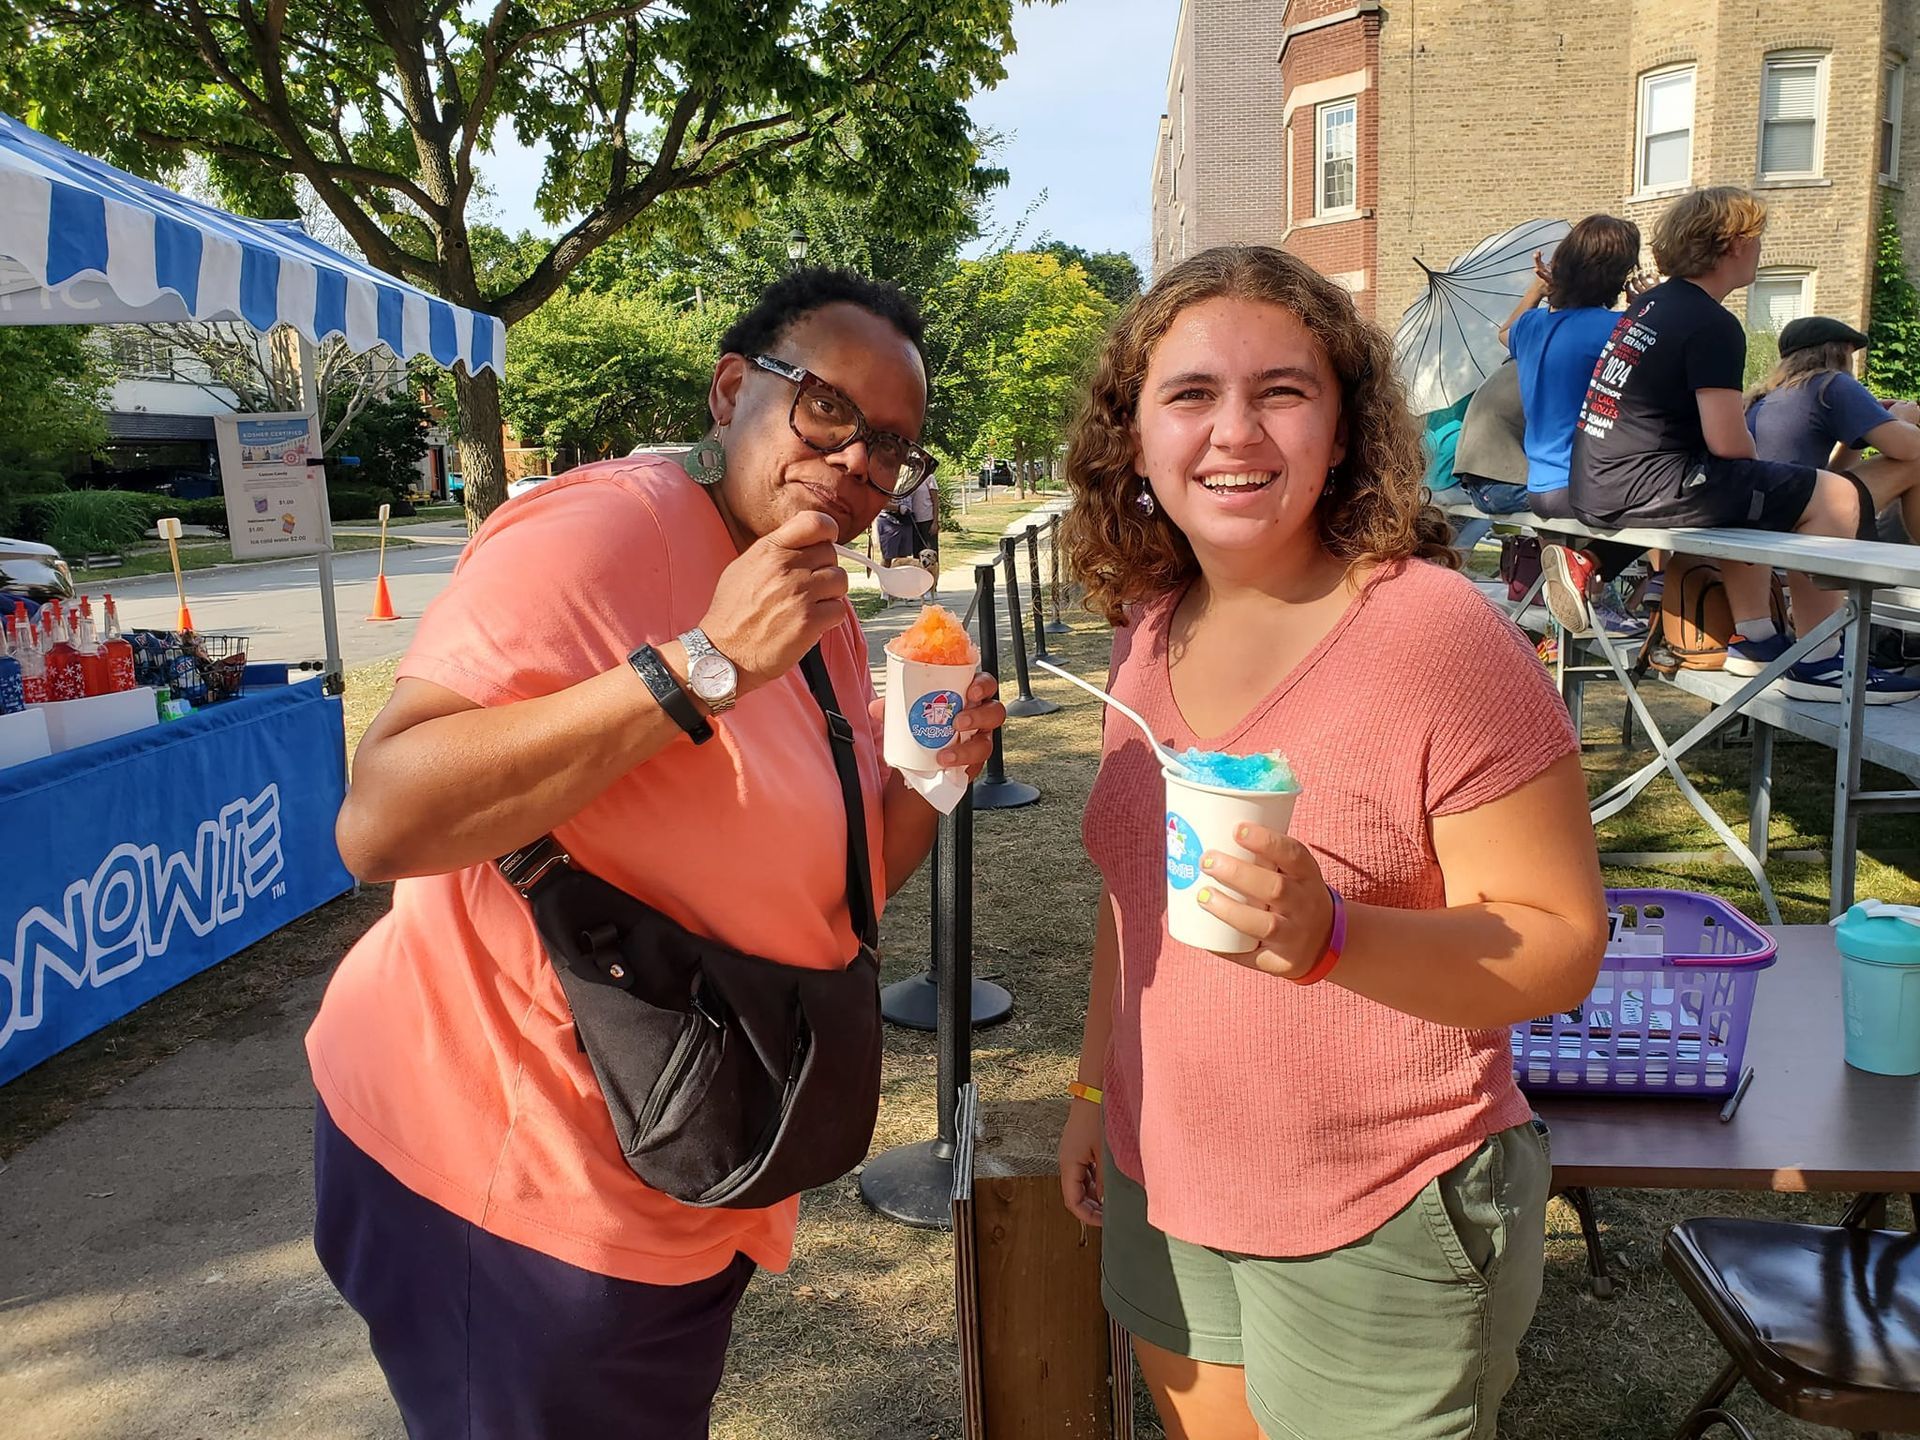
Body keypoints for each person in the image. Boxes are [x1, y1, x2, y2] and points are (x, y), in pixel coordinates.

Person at [305, 268, 1008, 1438]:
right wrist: (701, 664)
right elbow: (380, 822)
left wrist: (935, 777)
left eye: (892, 445)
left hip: (687, 1161)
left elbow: (843, 891)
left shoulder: (808, 583)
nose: (856, 464)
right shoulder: (600, 530)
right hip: (518, 1185)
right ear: (735, 387)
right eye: (827, 409)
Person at [1055, 245, 1609, 1440]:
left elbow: (1561, 945)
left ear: (1346, 427)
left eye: (1284, 392)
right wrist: (1097, 1088)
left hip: (1383, 1207)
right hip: (1169, 1184)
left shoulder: (1436, 636)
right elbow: (1132, 904)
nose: (1235, 433)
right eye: (1191, 394)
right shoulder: (1150, 632)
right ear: (1136, 438)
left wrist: (1334, 936)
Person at [1567, 186, 1920, 702]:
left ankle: (1758, 640)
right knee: (1832, 497)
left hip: (1601, 481)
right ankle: (1821, 662)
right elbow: (1729, 443)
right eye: (1757, 237)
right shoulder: (1711, 322)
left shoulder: (1651, 307)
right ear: (1733, 243)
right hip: (1646, 484)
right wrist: (1774, 483)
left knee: (1753, 501)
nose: (1760, 247)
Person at [1499, 216, 1649, 636]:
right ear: (1620, 275)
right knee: (1678, 509)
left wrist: (1539, 289)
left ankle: (1593, 599)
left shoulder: (1531, 327)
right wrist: (1648, 309)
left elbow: (1504, 331)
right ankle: (1591, 568)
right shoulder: (1618, 329)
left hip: (1540, 489)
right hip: (1586, 487)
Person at [1746, 315, 1920, 540]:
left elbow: (1830, 478)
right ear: (1841, 352)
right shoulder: (1832, 384)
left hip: (1768, 511)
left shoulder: (1765, 397)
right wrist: (1902, 419)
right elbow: (1908, 450)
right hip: (1796, 513)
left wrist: (1862, 428)